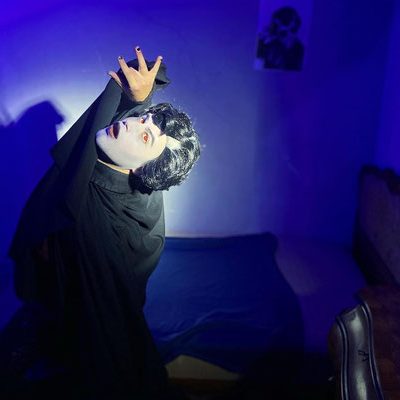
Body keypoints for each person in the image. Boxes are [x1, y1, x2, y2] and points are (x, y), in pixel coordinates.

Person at [4, 46, 201, 399]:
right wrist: (140, 99)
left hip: (70, 324)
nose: (130, 124)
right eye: (143, 118)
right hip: (48, 291)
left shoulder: (111, 225)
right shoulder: (104, 155)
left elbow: (104, 320)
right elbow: (117, 116)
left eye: (145, 136)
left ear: (141, 171)